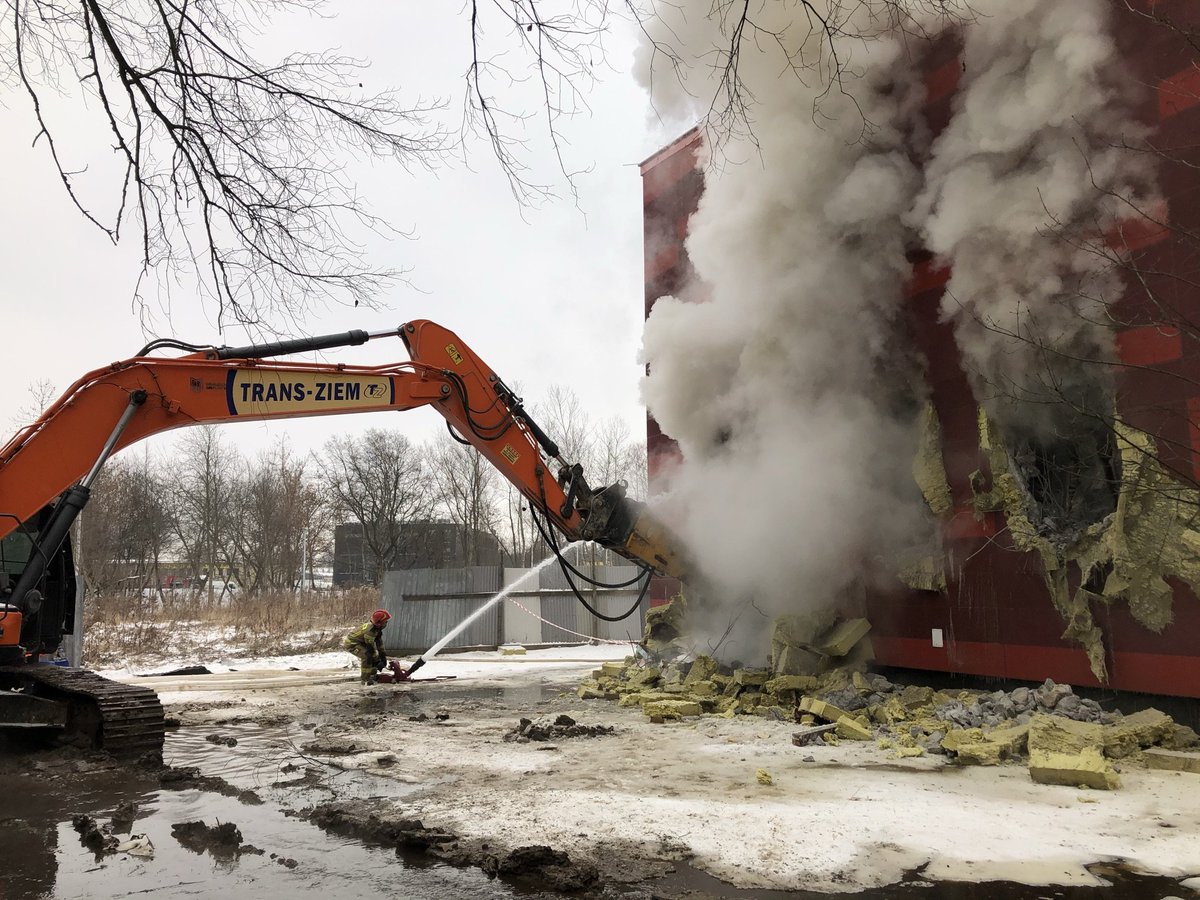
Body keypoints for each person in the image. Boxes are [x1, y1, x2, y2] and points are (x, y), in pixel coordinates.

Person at [343, 609, 391, 684]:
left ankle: (373, 675)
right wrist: (375, 658)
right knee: (366, 656)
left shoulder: (377, 629)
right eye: (385, 621)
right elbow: (370, 647)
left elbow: (379, 643)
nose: (386, 623)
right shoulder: (370, 631)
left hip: (361, 643)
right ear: (379, 623)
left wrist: (383, 656)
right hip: (352, 644)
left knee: (375, 656)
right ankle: (365, 679)